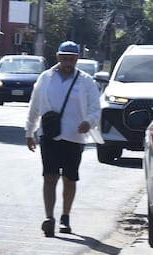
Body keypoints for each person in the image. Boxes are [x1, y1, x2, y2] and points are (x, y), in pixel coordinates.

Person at [25, 41, 103, 237]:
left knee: (69, 178)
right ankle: (49, 218)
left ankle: (65, 217)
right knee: (49, 176)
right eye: (65, 58)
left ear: (77, 59)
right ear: (58, 57)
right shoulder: (45, 79)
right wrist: (29, 132)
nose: (68, 62)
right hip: (50, 135)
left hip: (74, 136)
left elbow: (96, 108)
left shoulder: (86, 81)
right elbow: (34, 107)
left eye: (72, 58)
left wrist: (89, 121)